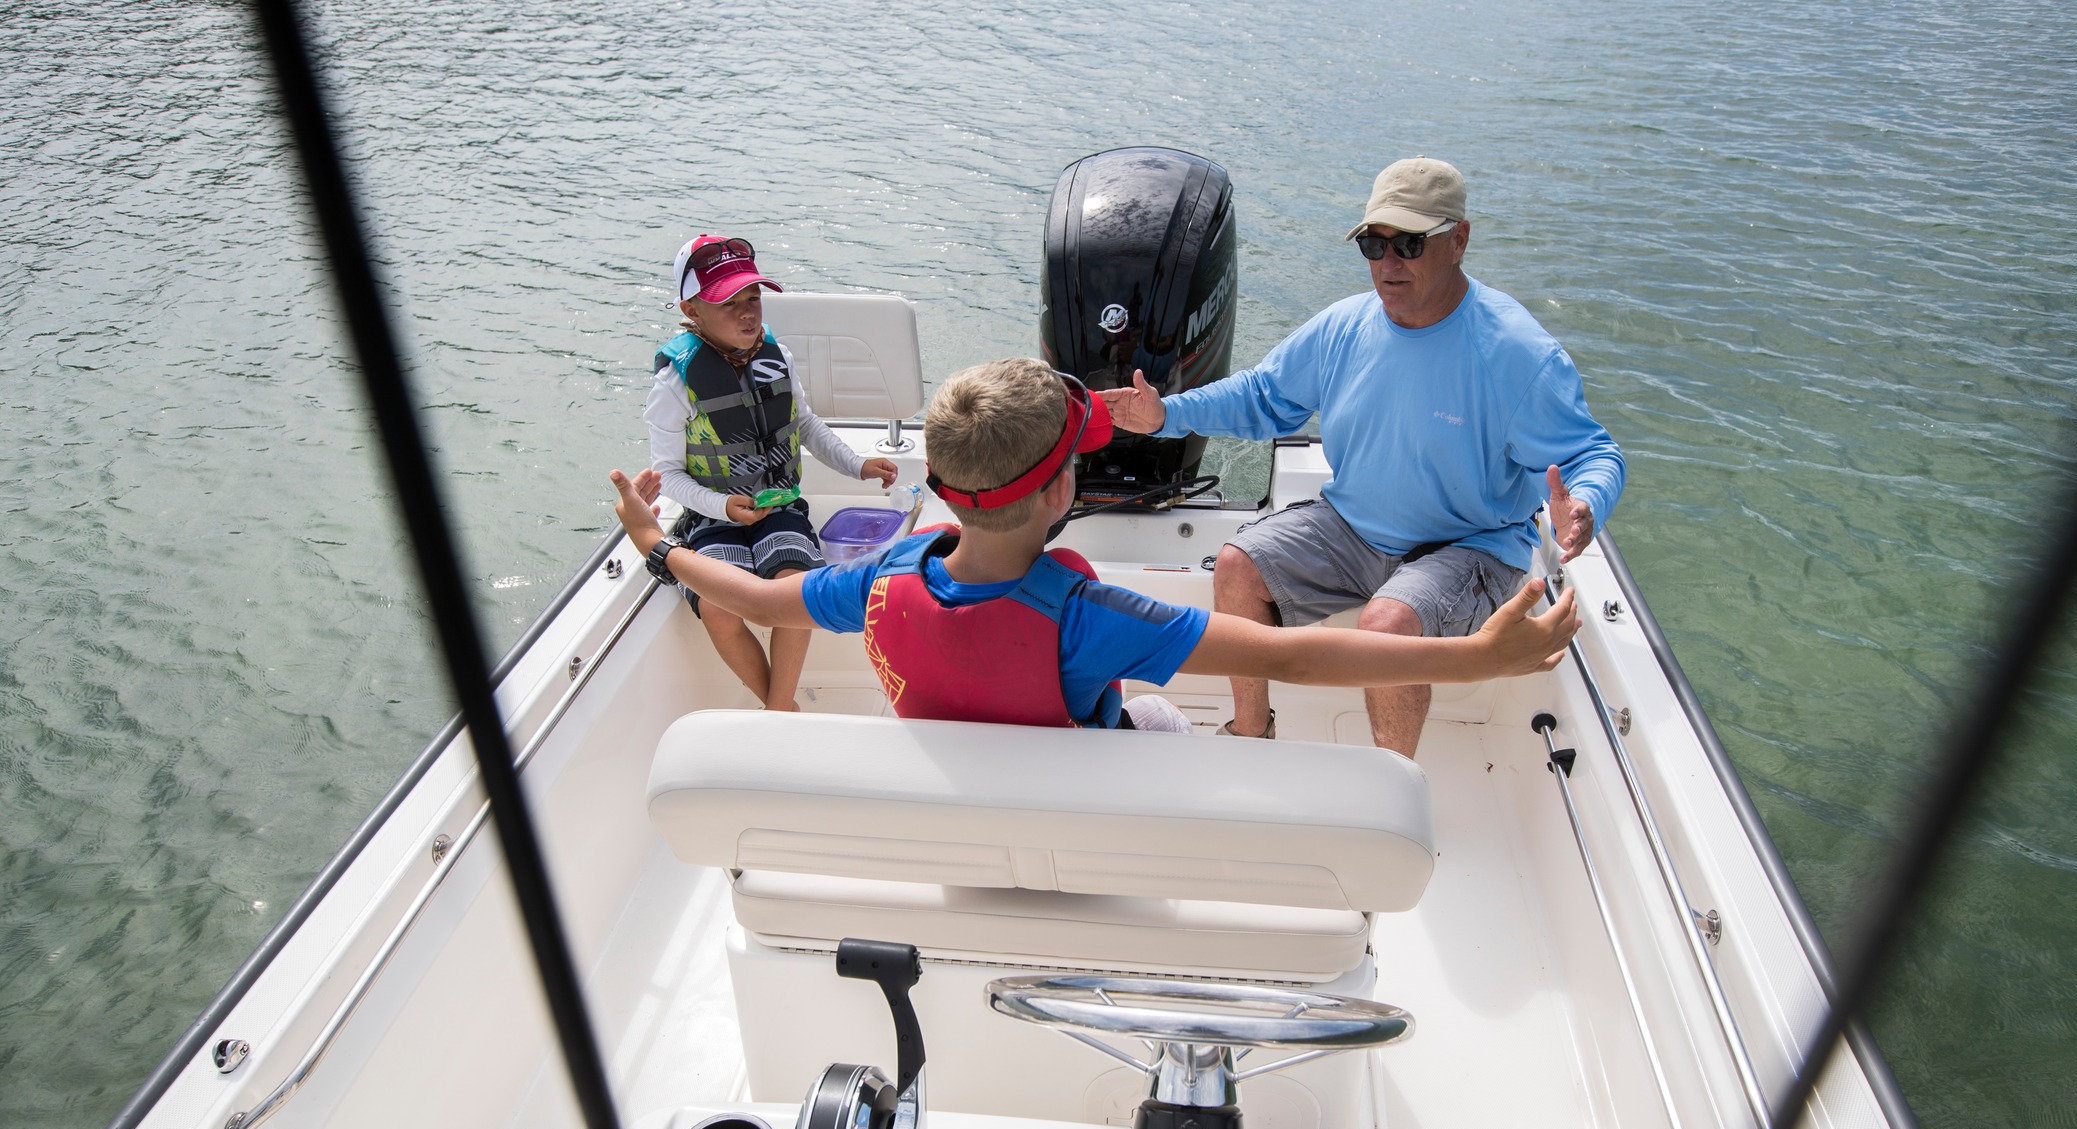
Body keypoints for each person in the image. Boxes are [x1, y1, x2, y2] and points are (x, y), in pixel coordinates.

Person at [608, 358, 1579, 733]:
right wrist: (1474, 657)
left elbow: (766, 600)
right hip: (1092, 824)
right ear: (1065, 489)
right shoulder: (1092, 621)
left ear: (941, 490)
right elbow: (1293, 652)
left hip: (965, 818)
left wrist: (659, 547)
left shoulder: (872, 583)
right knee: (1159, 717)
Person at [1101, 157, 1625, 758]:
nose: (1388, 263)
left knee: (1388, 625)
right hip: (1353, 524)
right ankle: (1251, 736)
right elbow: (1264, 395)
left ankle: (1391, 785)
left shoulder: (1518, 353)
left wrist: (1584, 504)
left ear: (1459, 241)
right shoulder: (1343, 327)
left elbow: (1593, 453)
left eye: (1408, 243)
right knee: (1237, 567)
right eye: (1374, 245)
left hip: (1471, 544)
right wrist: (1166, 414)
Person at [645, 234, 900, 711]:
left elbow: (803, 423)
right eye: (727, 303)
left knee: (792, 585)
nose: (747, 313)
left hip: (779, 506)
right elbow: (670, 475)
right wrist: (721, 505)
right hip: (711, 516)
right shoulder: (674, 382)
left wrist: (856, 464)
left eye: (753, 299)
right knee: (719, 607)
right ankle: (780, 706)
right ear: (692, 310)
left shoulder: (775, 356)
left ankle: (779, 704)